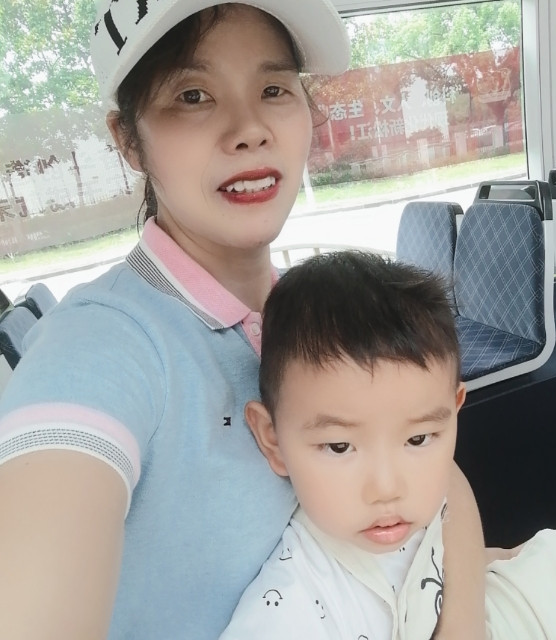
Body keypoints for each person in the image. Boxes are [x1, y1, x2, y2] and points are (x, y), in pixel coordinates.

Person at [0, 3, 485, 639]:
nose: (250, 129)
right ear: (128, 139)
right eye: (193, 96)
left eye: (274, 89)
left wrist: (463, 615)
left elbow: (436, 467)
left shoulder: (306, 313)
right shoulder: (101, 345)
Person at [220, 250, 556, 640]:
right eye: (339, 447)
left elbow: (433, 546)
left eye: (417, 439)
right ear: (272, 439)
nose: (388, 488)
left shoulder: (407, 505)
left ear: (454, 409)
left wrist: (489, 558)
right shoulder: (287, 614)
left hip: (479, 602)